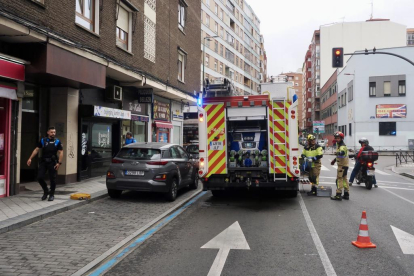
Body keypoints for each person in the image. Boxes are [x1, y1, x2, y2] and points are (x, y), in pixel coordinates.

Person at [27, 126, 63, 201]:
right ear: (48, 132)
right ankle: (46, 190)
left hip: (53, 162)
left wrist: (59, 163)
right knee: (39, 177)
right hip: (44, 162)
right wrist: (30, 158)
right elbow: (36, 149)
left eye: (54, 132)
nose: (53, 133)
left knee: (52, 179)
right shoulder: (43, 140)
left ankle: (52, 194)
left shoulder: (57, 141)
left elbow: (61, 152)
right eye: (52, 132)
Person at [331, 131, 349, 200]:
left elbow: (342, 152)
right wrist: (334, 160)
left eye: (338, 138)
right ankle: (346, 194)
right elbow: (340, 156)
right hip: (344, 165)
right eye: (336, 138)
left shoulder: (342, 146)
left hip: (342, 166)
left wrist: (338, 153)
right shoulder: (338, 144)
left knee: (339, 180)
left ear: (341, 138)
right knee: (344, 179)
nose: (337, 139)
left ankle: (338, 194)